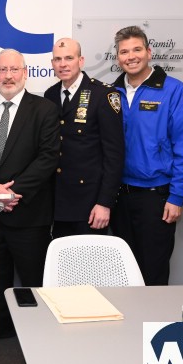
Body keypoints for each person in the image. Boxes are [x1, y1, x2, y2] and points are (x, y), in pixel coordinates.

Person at [0, 49, 59, 337]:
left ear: (25, 73)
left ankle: (36, 334)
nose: (8, 76)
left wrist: (12, 192)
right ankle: (2, 332)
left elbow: (48, 157)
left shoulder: (44, 109)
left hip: (29, 213)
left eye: (14, 69)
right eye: (2, 70)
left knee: (33, 280)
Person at [110, 26, 183, 286]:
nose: (131, 56)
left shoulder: (174, 91)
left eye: (137, 49)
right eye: (124, 52)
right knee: (124, 274)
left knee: (153, 273)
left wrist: (177, 196)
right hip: (119, 197)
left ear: (149, 52)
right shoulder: (111, 93)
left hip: (157, 197)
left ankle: (152, 315)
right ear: (118, 57)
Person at [44, 38, 124, 237]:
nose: (63, 64)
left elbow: (114, 155)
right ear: (52, 63)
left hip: (90, 204)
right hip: (58, 202)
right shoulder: (50, 95)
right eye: (58, 59)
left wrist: (105, 202)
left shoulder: (103, 94)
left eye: (69, 58)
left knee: (90, 256)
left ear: (81, 60)